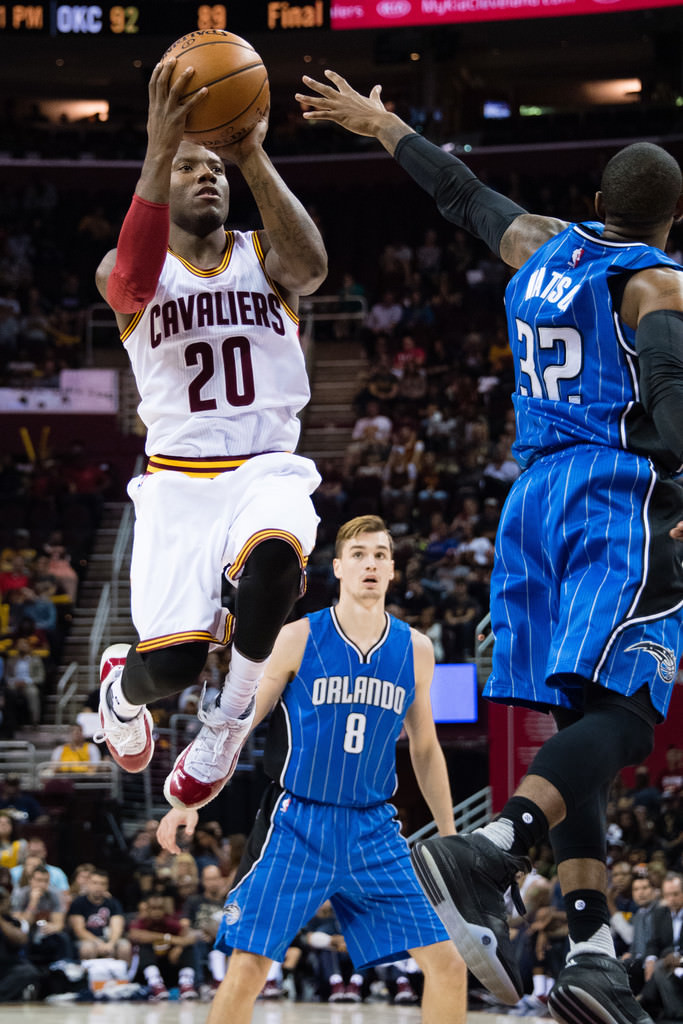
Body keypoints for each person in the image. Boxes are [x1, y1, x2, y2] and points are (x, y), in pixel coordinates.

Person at [296, 71, 683, 1024]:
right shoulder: (656, 281)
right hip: (614, 497)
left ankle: (591, 954)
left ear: (597, 204)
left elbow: (461, 194)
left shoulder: (545, 246)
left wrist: (385, 124)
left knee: (582, 728)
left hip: (532, 503)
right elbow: (671, 390)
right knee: (632, 717)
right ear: (672, 218)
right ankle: (493, 847)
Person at [93, 57, 327, 813]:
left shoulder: (264, 256)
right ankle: (121, 699)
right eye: (189, 168)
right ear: (164, 179)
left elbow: (314, 268)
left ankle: (226, 722)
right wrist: (160, 148)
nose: (208, 176)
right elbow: (127, 284)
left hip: (267, 467)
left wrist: (250, 150)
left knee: (271, 568)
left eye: (215, 168)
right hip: (178, 484)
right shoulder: (130, 272)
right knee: (170, 666)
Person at [156, 515, 466, 1024]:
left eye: (381, 555)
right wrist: (188, 798)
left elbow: (426, 748)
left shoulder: (417, 650)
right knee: (249, 966)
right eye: (361, 554)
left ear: (392, 570)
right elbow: (240, 723)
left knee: (449, 965)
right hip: (296, 823)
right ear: (340, 567)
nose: (371, 563)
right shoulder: (298, 637)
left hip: (373, 827)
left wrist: (451, 834)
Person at [67, 868, 131, 963]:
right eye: (95, 883)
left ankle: (122, 977)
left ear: (107, 886)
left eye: (102, 884)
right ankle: (89, 977)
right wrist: (99, 943)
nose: (98, 887)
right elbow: (79, 930)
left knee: (125, 947)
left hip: (108, 938)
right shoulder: (78, 903)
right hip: (87, 940)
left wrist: (111, 944)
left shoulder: (113, 903)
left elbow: (117, 927)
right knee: (87, 948)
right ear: (88, 883)